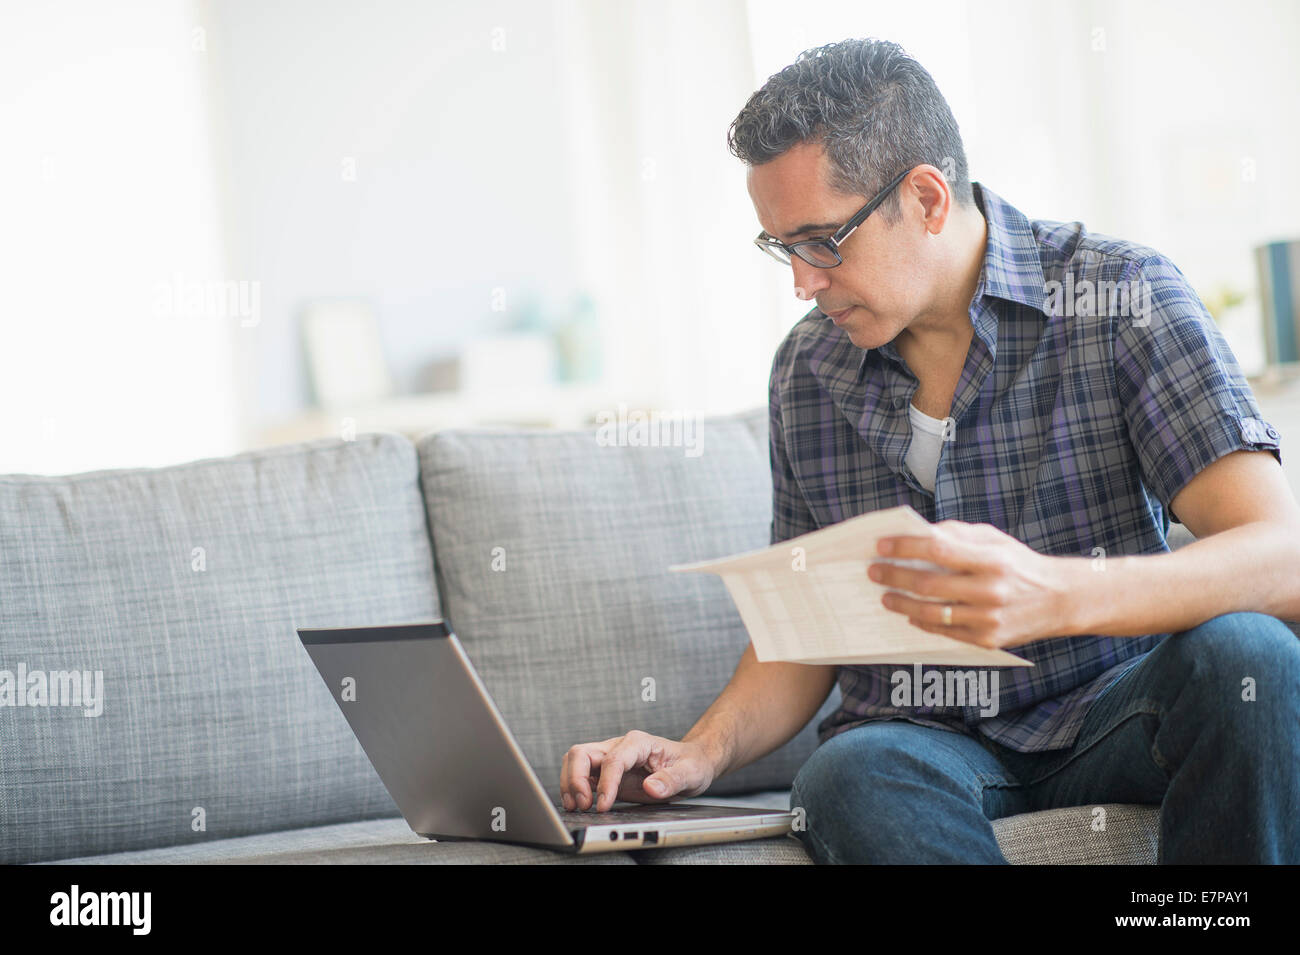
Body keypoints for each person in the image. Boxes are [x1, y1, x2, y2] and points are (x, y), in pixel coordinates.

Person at [559, 37, 1300, 864]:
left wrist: (1059, 593)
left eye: (820, 241)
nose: (801, 283)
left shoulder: (1120, 297)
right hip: (917, 741)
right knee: (847, 773)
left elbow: (1281, 559)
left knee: (1250, 656)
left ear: (925, 198)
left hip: (1115, 708)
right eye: (781, 247)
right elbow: (804, 631)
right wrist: (702, 749)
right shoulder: (807, 370)